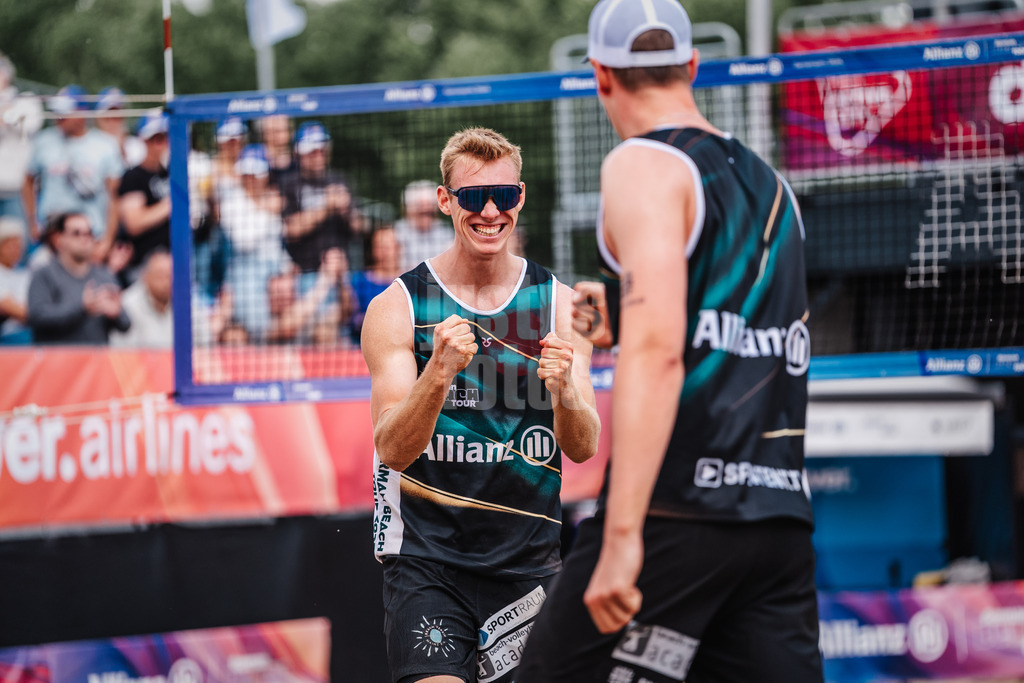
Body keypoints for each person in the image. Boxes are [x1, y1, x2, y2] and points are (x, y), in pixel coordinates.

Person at [518, 2, 822, 682]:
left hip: (674, 511)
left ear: (599, 75)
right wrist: (594, 316)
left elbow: (659, 349)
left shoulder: (644, 165)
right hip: (777, 520)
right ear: (691, 65)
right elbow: (738, 328)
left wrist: (622, 535)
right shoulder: (775, 188)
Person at [360, 127, 601, 683]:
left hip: (527, 565)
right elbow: (391, 449)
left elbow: (584, 447)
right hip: (427, 562)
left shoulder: (564, 305)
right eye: (473, 197)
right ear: (446, 201)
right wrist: (437, 375)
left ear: (521, 197)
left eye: (504, 196)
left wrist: (565, 392)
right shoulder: (398, 307)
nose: (490, 211)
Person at [22, 85, 124, 260]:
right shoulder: (43, 141)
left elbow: (114, 197)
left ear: (82, 113)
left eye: (65, 114)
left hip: (90, 237)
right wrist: (32, 220)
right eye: (56, 113)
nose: (59, 119)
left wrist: (107, 240)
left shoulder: (106, 145)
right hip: (51, 236)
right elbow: (27, 180)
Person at [218, 143, 290, 339]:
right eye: (247, 174)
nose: (251, 179)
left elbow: (276, 241)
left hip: (274, 272)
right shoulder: (231, 201)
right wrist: (268, 211)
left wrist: (287, 266)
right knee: (257, 328)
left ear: (265, 175)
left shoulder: (271, 197)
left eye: (256, 174)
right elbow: (244, 242)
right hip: (244, 273)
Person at [26, 211, 130, 344]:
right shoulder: (44, 274)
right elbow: (37, 318)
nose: (84, 238)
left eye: (89, 233)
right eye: (76, 233)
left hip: (96, 362)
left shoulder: (104, 275)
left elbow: (126, 325)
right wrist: (82, 309)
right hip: (56, 362)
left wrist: (117, 314)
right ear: (59, 239)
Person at [279, 121, 358, 278]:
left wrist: (346, 210)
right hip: (304, 273)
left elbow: (359, 227)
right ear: (298, 154)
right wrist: (327, 207)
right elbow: (290, 230)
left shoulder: (341, 179)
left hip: (341, 271)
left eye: (321, 150)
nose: (317, 156)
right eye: (312, 152)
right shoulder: (289, 183)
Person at [116, 113, 171, 283]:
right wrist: (172, 204)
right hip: (144, 265)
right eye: (154, 139)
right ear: (143, 142)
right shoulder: (134, 176)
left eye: (163, 138)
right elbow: (134, 223)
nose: (159, 145)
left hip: (176, 259)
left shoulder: (174, 173)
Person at [110, 249, 172, 348]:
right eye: (160, 275)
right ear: (145, 275)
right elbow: (122, 353)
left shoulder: (187, 302)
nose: (166, 282)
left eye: (170, 276)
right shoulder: (127, 304)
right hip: (138, 362)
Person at [348, 226, 401, 343]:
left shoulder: (409, 281)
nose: (383, 251)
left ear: (398, 248)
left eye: (387, 247)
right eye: (379, 247)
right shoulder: (359, 281)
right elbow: (351, 317)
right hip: (362, 345)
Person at [393, 179, 455, 272]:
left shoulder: (446, 234)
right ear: (408, 208)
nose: (426, 209)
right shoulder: (396, 234)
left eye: (430, 205)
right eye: (419, 205)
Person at [0, 216, 31, 343]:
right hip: (9, 336)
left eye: (19, 245)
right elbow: (12, 309)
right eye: (11, 245)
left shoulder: (24, 273)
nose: (17, 250)